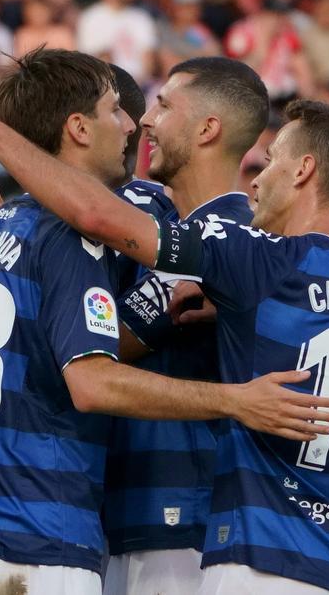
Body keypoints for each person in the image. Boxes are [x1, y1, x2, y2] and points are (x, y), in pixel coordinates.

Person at [0, 83, 329, 592]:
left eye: (273, 160)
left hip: (257, 549)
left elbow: (96, 225)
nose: (256, 178)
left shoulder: (254, 258)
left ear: (304, 170)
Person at [103, 57, 262, 595]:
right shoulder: (170, 230)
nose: (146, 120)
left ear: (208, 129)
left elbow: (109, 343)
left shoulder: (226, 235)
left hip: (181, 519)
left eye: (165, 105)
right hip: (127, 510)